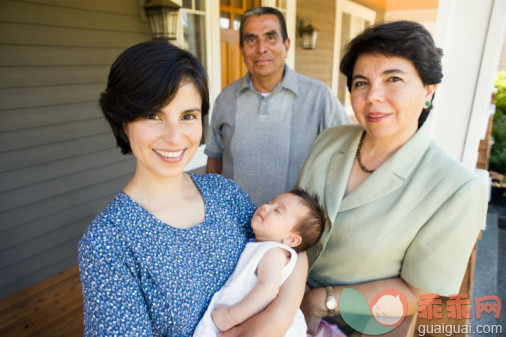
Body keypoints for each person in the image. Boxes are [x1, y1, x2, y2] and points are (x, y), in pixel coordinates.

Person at [78, 41, 307, 337]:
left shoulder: (224, 194)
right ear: (123, 122)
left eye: (188, 116)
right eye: (153, 115)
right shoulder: (109, 242)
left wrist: (277, 318)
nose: (175, 138)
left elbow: (293, 251)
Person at [295, 21, 488, 335]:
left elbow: (419, 294)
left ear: (428, 90)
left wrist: (322, 301)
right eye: (361, 83)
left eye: (393, 79)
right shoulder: (329, 141)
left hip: (355, 325)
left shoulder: (458, 188)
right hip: (280, 299)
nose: (373, 96)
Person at [205, 6, 350, 206]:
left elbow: (347, 155)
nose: (261, 48)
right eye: (251, 39)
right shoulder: (226, 98)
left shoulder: (319, 97)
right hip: (234, 224)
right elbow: (215, 160)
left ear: (286, 45)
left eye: (270, 37)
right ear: (241, 49)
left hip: (295, 230)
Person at [193, 189, 328, 337]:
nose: (265, 206)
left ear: (292, 240)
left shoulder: (274, 253)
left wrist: (231, 316)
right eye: (270, 203)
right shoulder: (262, 247)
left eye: (277, 211)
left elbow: (268, 290)